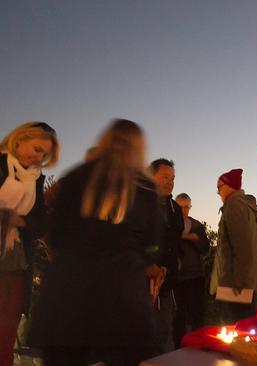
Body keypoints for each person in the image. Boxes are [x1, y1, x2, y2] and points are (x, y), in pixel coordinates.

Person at [30, 119, 162, 366]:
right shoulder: (146, 189)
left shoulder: (76, 177)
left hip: (68, 293)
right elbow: (152, 244)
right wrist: (144, 260)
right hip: (122, 296)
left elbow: (56, 233)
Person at [0, 121, 58, 366]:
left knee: (6, 327)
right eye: (37, 149)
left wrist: (19, 220)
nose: (39, 158)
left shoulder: (35, 179)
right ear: (19, 139)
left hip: (14, 260)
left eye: (44, 155)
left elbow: (40, 222)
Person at [211, 168, 257, 324]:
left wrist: (240, 281)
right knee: (247, 329)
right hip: (251, 282)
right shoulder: (249, 208)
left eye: (219, 187)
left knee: (234, 331)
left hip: (236, 286)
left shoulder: (234, 206)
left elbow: (243, 246)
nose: (218, 192)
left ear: (229, 186)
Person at [149, 158, 183, 353]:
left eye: (172, 178)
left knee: (162, 334)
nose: (170, 182)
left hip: (167, 283)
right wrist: (150, 264)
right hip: (142, 281)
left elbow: (175, 242)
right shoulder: (139, 204)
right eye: (165, 177)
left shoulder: (175, 209)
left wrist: (172, 264)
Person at [172, 193, 210, 348]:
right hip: (177, 277)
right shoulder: (170, 225)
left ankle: (199, 346)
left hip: (195, 276)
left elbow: (205, 248)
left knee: (196, 315)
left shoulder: (197, 226)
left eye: (186, 207)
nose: (183, 210)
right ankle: (178, 348)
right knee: (178, 316)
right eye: (180, 207)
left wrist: (193, 238)